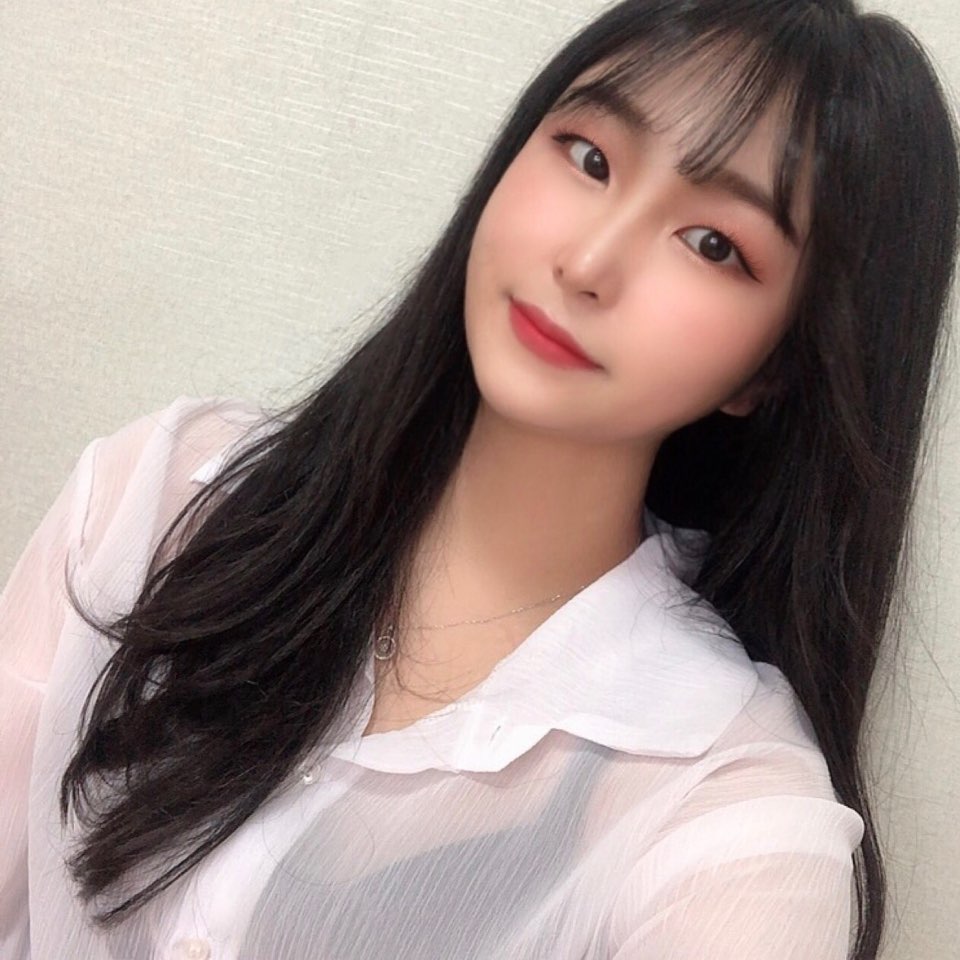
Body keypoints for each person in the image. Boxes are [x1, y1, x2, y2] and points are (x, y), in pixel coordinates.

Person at [2, 0, 957, 957]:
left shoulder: (724, 812)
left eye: (713, 244)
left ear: (777, 366)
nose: (588, 262)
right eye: (589, 157)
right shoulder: (162, 498)